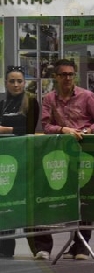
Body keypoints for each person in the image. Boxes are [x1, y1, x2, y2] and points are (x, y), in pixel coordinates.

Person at [32, 59, 94, 261]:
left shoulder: (87, 96)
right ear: (55, 77)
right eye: (63, 75)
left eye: (70, 74)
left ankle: (81, 247)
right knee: (48, 195)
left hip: (85, 153)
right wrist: (64, 130)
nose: (67, 78)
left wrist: (87, 131)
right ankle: (43, 247)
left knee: (84, 198)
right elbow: (46, 126)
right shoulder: (49, 99)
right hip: (58, 154)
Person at [0, 65, 40, 259]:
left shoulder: (31, 103)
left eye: (19, 81)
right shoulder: (2, 104)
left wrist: (6, 130)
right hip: (5, 160)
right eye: (12, 81)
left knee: (26, 204)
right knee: (5, 202)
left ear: (24, 83)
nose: (16, 85)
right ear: (6, 83)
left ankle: (39, 248)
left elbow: (30, 129)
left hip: (25, 159)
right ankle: (5, 247)